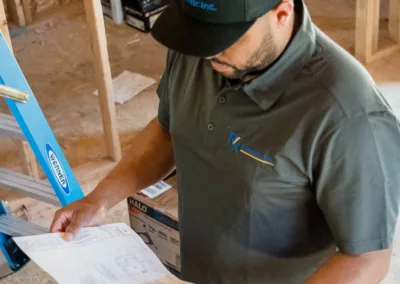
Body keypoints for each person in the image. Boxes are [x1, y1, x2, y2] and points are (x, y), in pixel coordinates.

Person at [50, 0, 400, 283]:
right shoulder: (201, 49)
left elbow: (368, 258)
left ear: (281, 13)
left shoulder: (348, 116)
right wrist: (100, 198)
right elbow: (169, 130)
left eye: (220, 39)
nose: (203, 55)